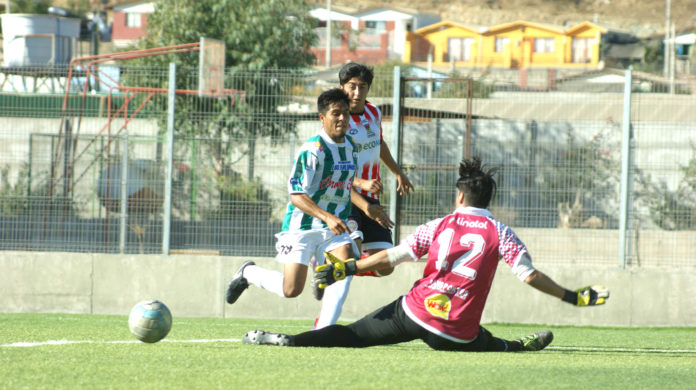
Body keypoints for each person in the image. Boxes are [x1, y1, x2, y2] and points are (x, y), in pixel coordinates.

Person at [242, 157, 610, 351]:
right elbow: (530, 276)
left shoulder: (439, 225)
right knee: (489, 343)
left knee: (351, 335)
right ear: (487, 200)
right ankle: (516, 345)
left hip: (414, 313)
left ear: (460, 197)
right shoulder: (501, 232)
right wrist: (572, 296)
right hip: (456, 333)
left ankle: (289, 340)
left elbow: (392, 258)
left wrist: (348, 268)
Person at [224, 88, 393, 305]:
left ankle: (324, 327)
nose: (342, 119)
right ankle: (249, 273)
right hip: (302, 227)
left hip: (333, 229)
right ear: (322, 118)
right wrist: (327, 217)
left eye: (345, 113)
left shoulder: (351, 147)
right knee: (291, 289)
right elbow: (296, 195)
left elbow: (344, 181)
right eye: (335, 114)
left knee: (344, 270)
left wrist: (365, 204)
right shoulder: (312, 150)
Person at [313, 62, 415, 329]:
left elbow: (378, 143)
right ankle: (324, 323)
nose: (357, 92)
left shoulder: (373, 112)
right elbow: (334, 171)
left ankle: (331, 266)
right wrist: (363, 199)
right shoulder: (337, 122)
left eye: (362, 87)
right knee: (350, 252)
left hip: (370, 198)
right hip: (342, 198)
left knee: (385, 266)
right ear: (342, 87)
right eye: (352, 86)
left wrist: (396, 172)